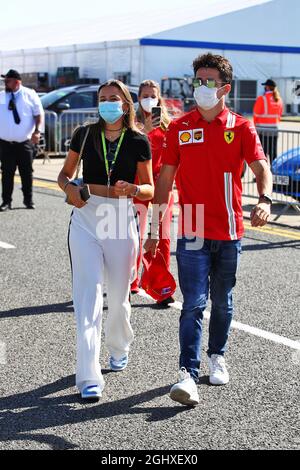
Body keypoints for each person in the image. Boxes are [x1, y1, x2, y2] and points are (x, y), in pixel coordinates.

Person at [145, 53, 273, 406]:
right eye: (197, 81)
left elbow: (261, 167)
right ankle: (187, 372)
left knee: (223, 302)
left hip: (230, 229)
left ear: (224, 88)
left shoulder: (242, 127)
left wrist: (264, 199)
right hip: (193, 228)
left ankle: (217, 354)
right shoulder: (179, 128)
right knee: (193, 304)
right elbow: (165, 180)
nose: (201, 87)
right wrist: (155, 228)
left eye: (209, 82)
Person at [58, 79, 154, 401]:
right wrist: (70, 189)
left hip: (120, 215)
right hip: (86, 215)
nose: (107, 103)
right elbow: (64, 175)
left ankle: (118, 345)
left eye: (114, 98)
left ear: (126, 104)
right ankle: (88, 376)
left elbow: (150, 187)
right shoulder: (84, 134)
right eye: (102, 98)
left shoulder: (139, 140)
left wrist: (136, 191)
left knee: (118, 295)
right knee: (87, 300)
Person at [131, 79, 175, 305]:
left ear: (160, 98)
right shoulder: (132, 124)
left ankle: (162, 287)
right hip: (139, 187)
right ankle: (131, 279)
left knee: (162, 236)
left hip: (162, 186)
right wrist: (145, 132)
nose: (149, 99)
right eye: (145, 95)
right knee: (133, 236)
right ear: (138, 98)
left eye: (153, 95)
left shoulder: (169, 125)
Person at [0, 69, 44, 211]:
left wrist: (37, 131)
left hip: (24, 142)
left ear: (17, 81)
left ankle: (28, 200)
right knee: (7, 173)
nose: (5, 83)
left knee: (26, 173)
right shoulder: (2, 96)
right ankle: (6, 201)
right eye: (4, 81)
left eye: (8, 81)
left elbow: (38, 114)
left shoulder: (29, 95)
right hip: (5, 143)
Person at [253, 79, 283, 165]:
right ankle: (274, 173)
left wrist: (256, 127)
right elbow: (280, 115)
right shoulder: (279, 100)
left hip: (262, 130)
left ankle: (263, 175)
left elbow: (256, 114)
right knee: (273, 153)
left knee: (262, 154)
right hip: (274, 130)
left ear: (267, 87)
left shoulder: (262, 98)